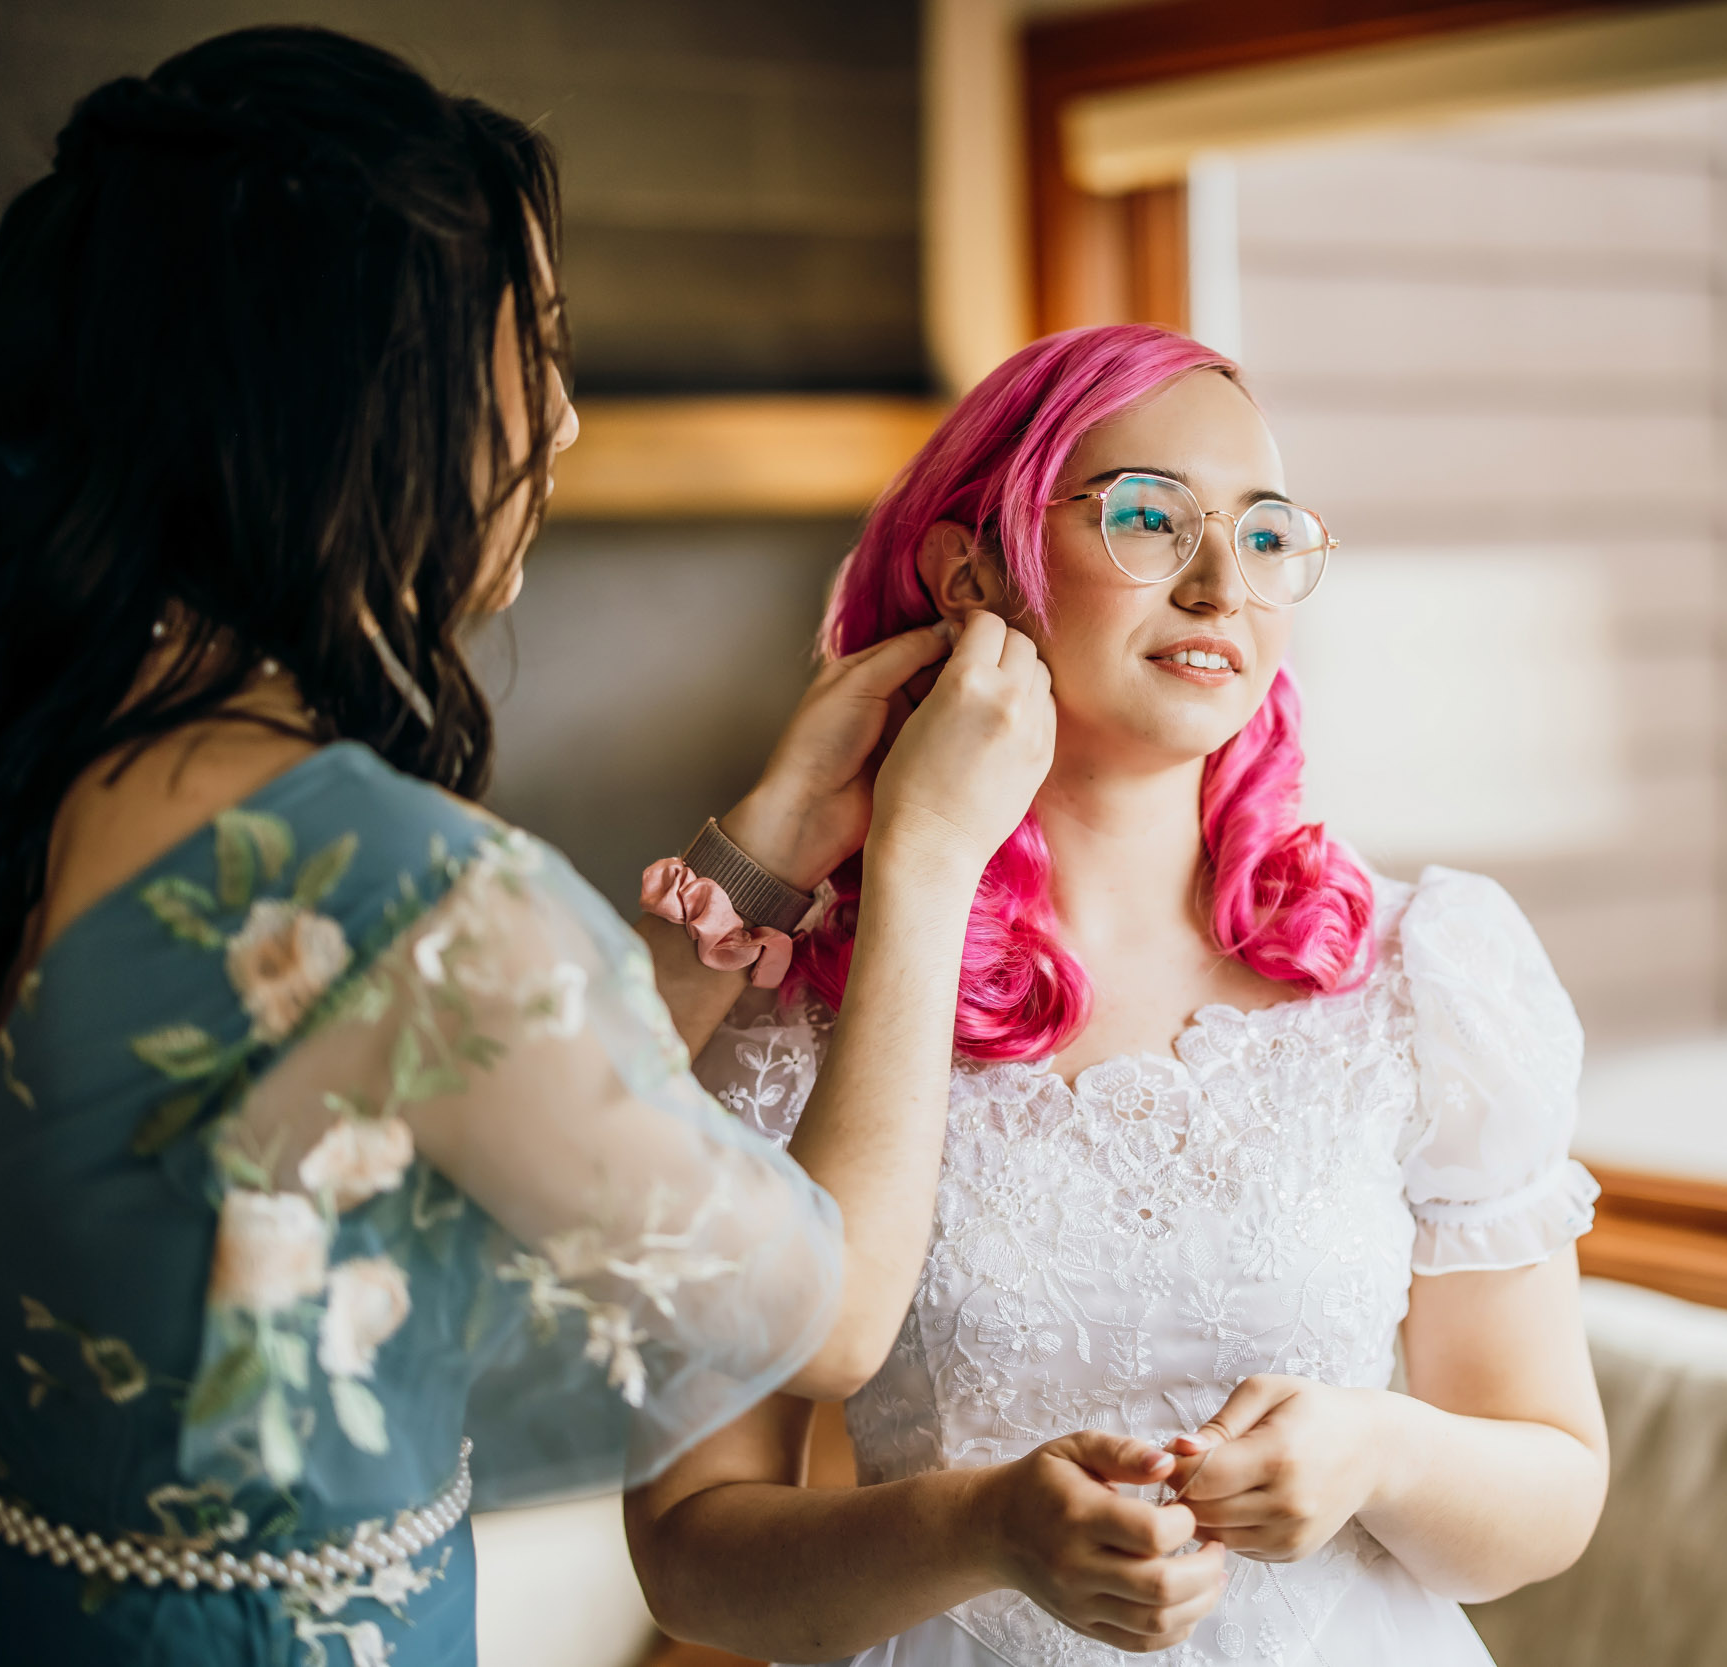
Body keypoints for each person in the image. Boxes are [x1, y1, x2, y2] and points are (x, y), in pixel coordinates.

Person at [0, 27, 1052, 1667]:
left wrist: (759, 859)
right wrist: (923, 865)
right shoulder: (415, 892)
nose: (558, 424)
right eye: (526, 347)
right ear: (354, 388)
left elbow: (428, 1081)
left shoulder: (15, 762)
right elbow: (826, 1321)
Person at [628, 325, 1611, 1666]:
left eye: (1264, 535)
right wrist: (978, 1531)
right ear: (973, 570)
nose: (1221, 585)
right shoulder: (792, 1006)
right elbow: (689, 1558)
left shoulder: (1420, 975)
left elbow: (1550, 1491)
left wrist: (1378, 1452)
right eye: (1151, 518)